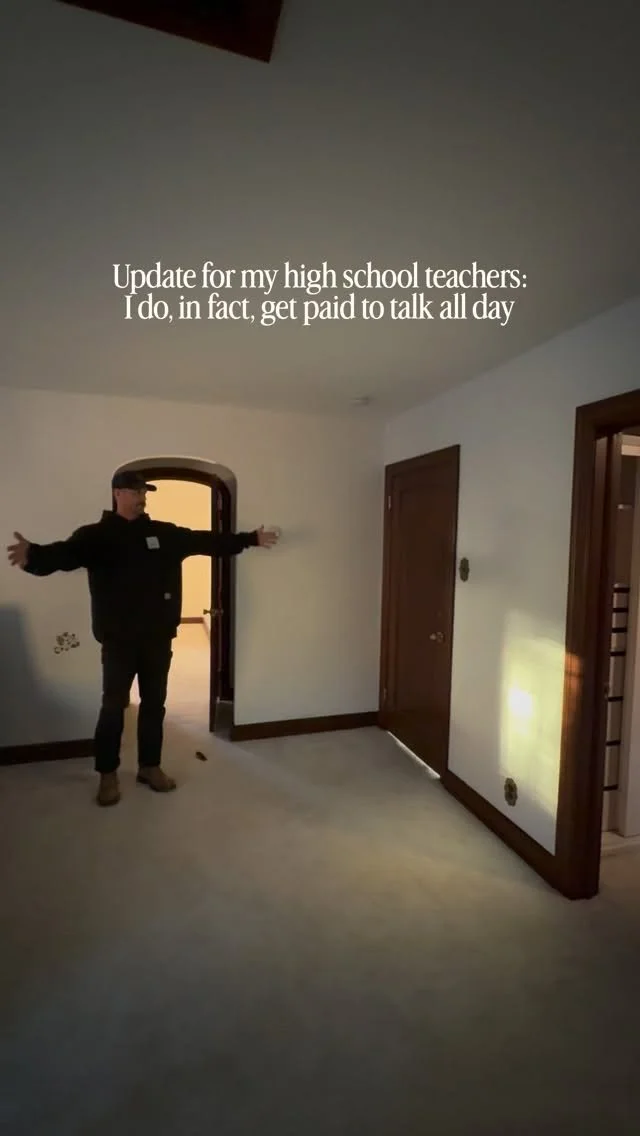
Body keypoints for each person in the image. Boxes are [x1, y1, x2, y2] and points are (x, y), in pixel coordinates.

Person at [7, 471, 280, 807]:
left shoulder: (163, 533)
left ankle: (149, 767)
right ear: (117, 493)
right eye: (136, 491)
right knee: (113, 707)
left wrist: (250, 538)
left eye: (144, 492)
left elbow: (205, 541)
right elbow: (63, 555)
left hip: (157, 638)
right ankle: (107, 774)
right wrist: (33, 556)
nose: (142, 497)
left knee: (154, 705)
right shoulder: (95, 536)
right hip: (118, 641)